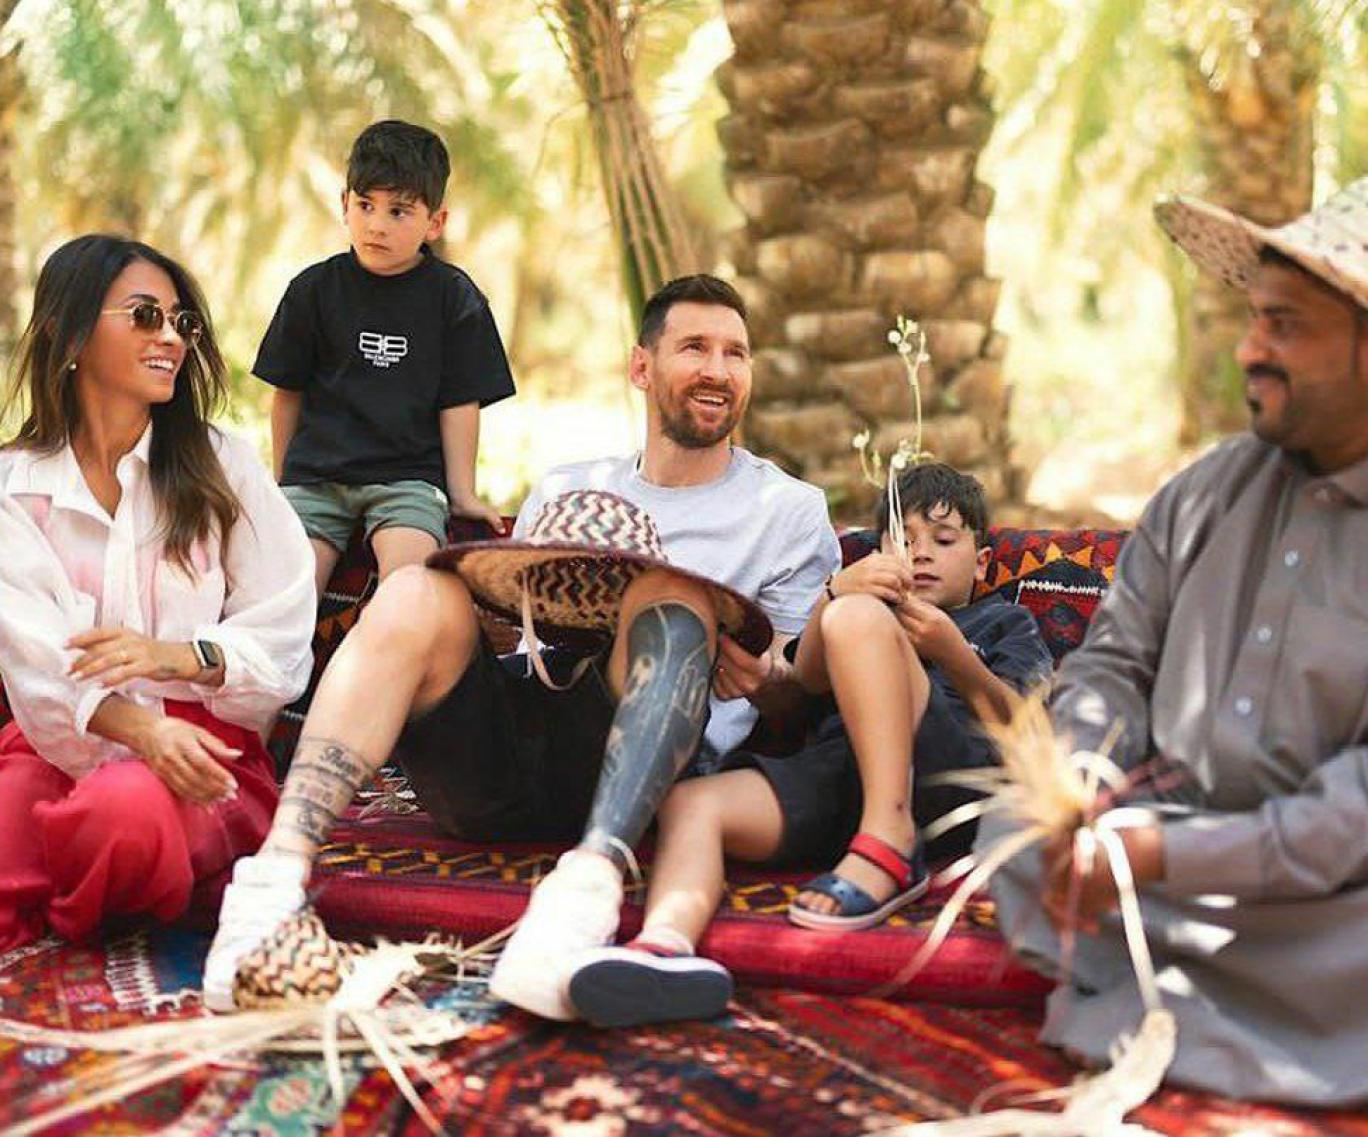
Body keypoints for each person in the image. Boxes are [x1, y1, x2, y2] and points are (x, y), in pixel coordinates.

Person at [202, 273, 842, 1017]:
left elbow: (799, 702)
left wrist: (761, 679)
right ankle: (272, 885)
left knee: (676, 598)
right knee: (415, 590)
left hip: (641, 774)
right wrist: (504, 623)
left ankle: (581, 902)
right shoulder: (569, 487)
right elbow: (505, 638)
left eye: (736, 353)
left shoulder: (788, 511)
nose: (718, 370)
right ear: (641, 367)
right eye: (694, 347)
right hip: (495, 762)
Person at [980, 178, 1368, 1106]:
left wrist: (1161, 859)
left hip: (1330, 894)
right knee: (1013, 831)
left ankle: (1163, 976)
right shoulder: (1202, 494)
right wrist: (1081, 777)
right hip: (1159, 835)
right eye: (1254, 319)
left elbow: (1353, 816)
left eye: (1284, 325)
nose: (1248, 349)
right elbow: (1114, 664)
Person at [566, 462, 1051, 1027]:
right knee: (691, 803)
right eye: (904, 539)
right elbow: (807, 680)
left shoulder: (1002, 621)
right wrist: (833, 595)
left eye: (943, 541)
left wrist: (953, 653)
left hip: (945, 778)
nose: (921, 554)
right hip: (840, 777)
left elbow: (1030, 734)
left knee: (859, 617)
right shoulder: (858, 607)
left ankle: (890, 842)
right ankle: (664, 948)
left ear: (983, 562)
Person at [0, 234, 315, 953]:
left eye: (182, 322)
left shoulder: (222, 464)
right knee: (14, 818)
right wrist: (142, 731)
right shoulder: (13, 487)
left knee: (126, 811)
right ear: (70, 334)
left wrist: (177, 656)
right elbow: (34, 656)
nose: (171, 337)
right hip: (54, 745)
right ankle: (96, 888)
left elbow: (284, 621)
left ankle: (86, 903)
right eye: (145, 316)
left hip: (205, 748)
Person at [256, 119, 516, 599]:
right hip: (316, 477)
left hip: (408, 480)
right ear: (344, 205)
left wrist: (462, 493)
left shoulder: (454, 298)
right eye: (365, 205)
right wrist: (282, 481)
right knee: (285, 593)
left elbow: (459, 403)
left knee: (407, 589)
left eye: (399, 211)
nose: (376, 224)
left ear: (435, 223)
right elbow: (288, 392)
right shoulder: (312, 290)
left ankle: (380, 646)